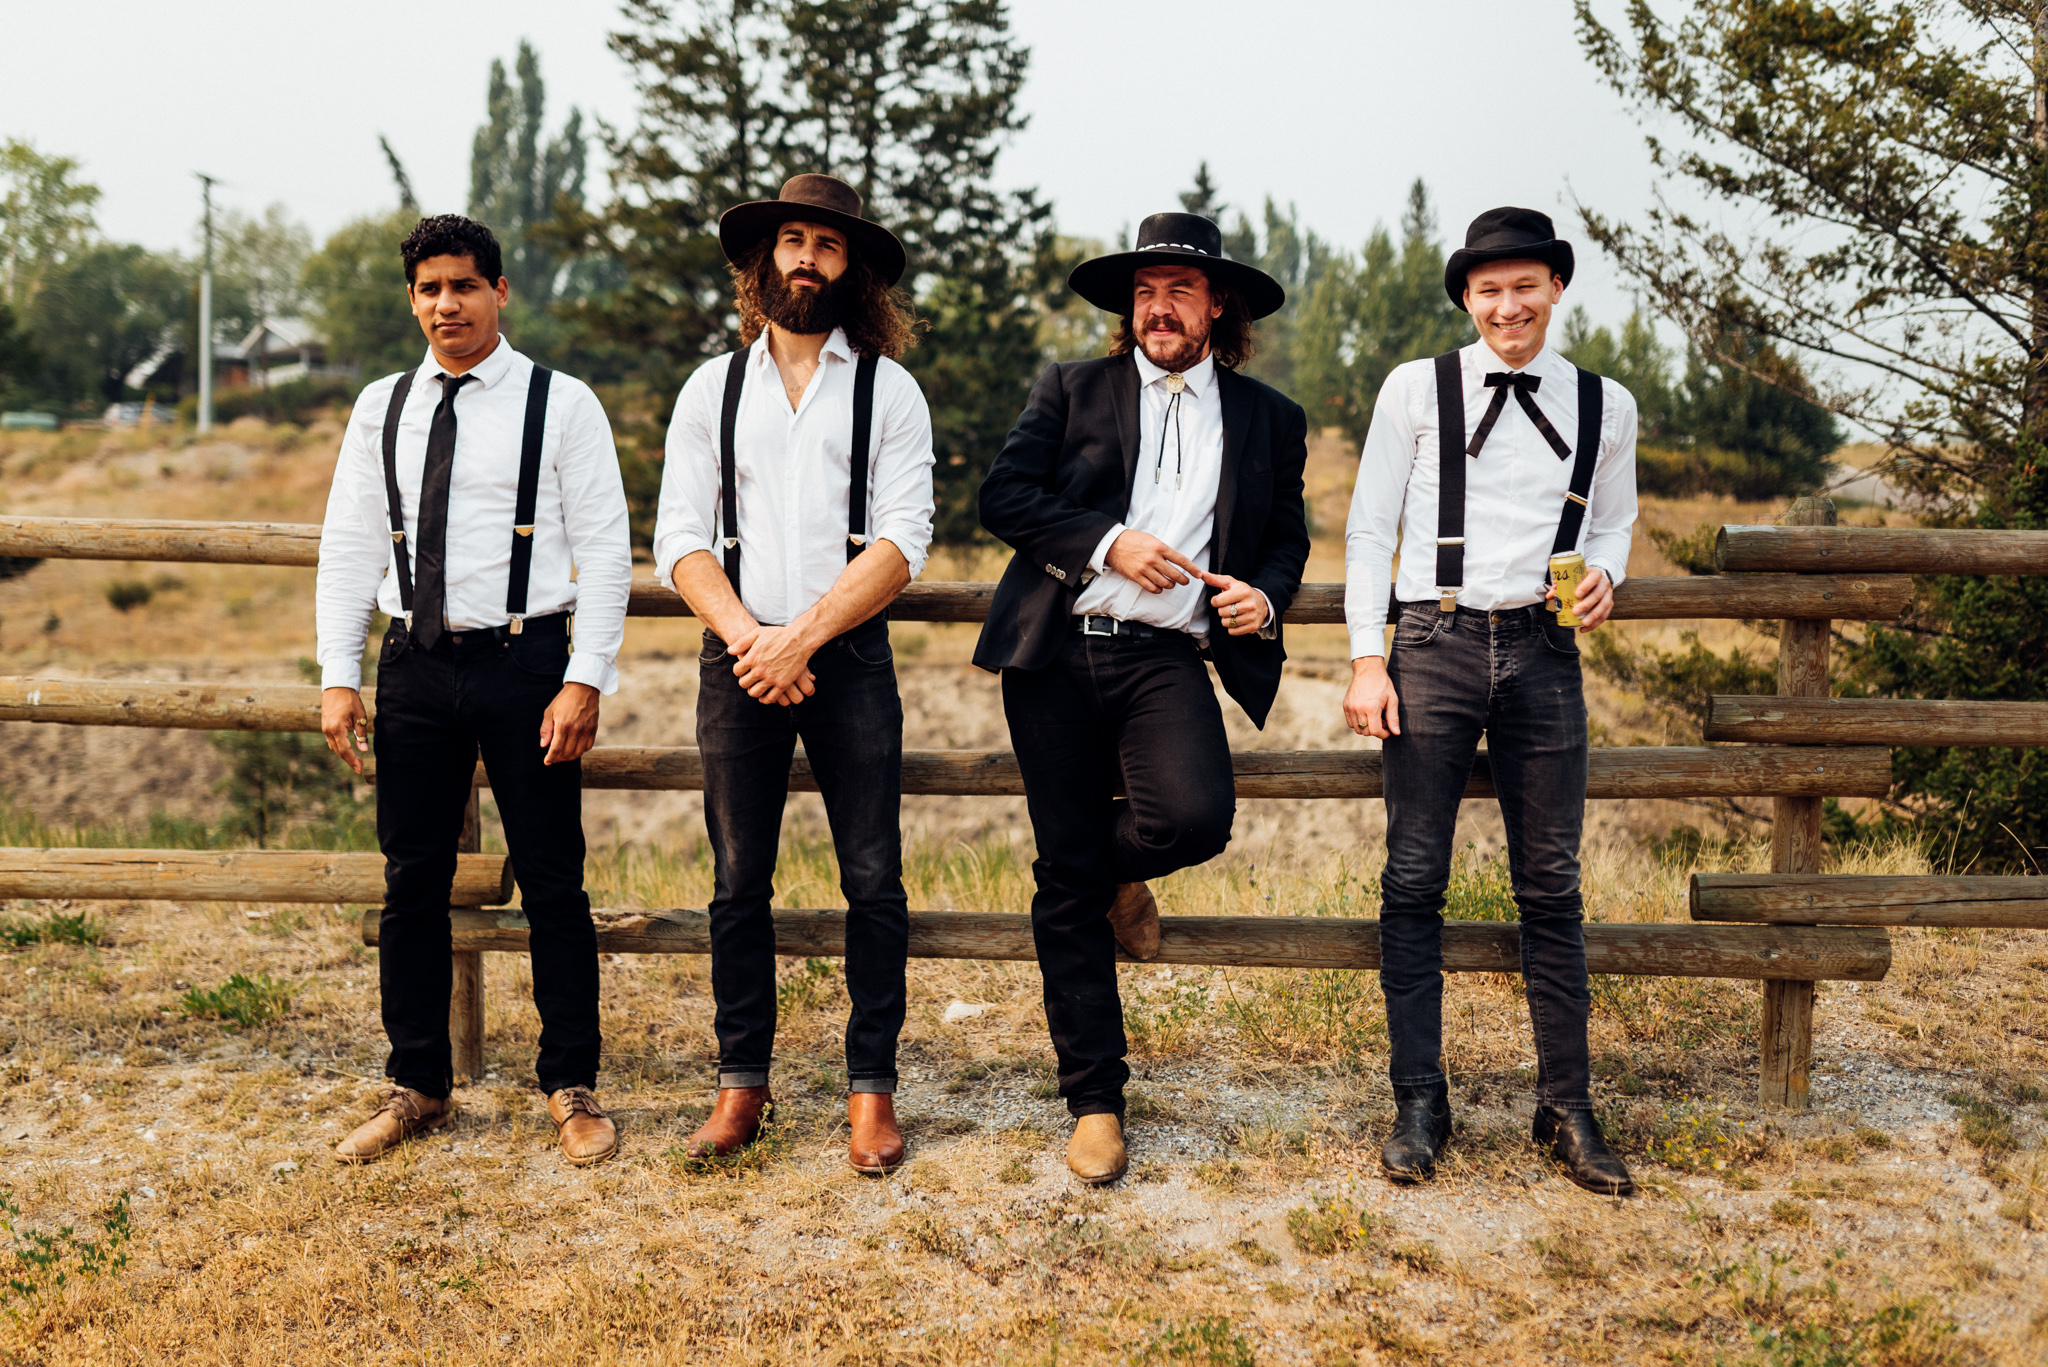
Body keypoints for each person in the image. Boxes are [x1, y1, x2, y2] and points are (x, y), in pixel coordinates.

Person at [975, 212, 1309, 1184]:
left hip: (1166, 659)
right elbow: (1003, 496)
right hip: (1054, 653)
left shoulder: (1270, 418)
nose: (1159, 308)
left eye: (1180, 291)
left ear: (1218, 306)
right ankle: (1095, 1101)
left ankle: (1110, 871)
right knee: (1065, 878)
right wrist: (1104, 542)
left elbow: (1284, 538)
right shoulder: (1071, 386)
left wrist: (1265, 596)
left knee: (1192, 818)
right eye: (1145, 292)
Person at [316, 215, 632, 1167]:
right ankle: (417, 1083)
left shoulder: (561, 402)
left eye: (462, 285)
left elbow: (607, 550)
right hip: (414, 664)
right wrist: (338, 674)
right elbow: (350, 545)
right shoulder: (380, 406)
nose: (445, 305)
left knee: (553, 878)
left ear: (499, 291)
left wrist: (585, 677)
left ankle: (570, 1085)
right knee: (411, 879)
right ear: (412, 299)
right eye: (429, 289)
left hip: (526, 664)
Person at [1341, 207, 1640, 1196]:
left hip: (1544, 649)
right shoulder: (1413, 388)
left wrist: (1605, 573)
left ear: (1555, 287)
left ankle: (1566, 1106)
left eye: (1524, 286)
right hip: (1431, 642)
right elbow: (1367, 530)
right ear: (1467, 299)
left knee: (1549, 885)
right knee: (1412, 877)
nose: (1507, 306)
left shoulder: (1606, 404)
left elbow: (1614, 522)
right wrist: (1367, 658)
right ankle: (1419, 1101)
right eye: (1488, 290)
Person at [652, 174, 934, 1175]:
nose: (807, 257)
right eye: (792, 240)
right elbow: (679, 536)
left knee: (873, 878)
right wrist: (750, 638)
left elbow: (904, 540)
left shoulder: (888, 391)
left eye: (827, 243)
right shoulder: (711, 389)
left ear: (851, 268)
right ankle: (742, 1082)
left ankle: (871, 1088)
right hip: (738, 656)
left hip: (846, 657)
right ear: (764, 260)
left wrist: (800, 638)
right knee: (738, 880)